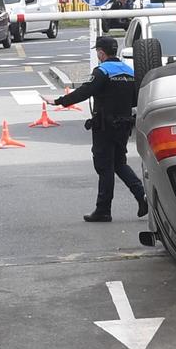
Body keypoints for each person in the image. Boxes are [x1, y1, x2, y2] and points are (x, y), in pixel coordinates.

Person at [51, 35, 148, 223]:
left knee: (104, 167)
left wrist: (60, 101)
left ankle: (103, 210)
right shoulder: (129, 71)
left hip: (104, 127)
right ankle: (142, 196)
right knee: (119, 163)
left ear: (101, 53)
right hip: (123, 127)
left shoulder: (102, 71)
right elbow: (136, 98)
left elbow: (84, 92)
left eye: (97, 52)